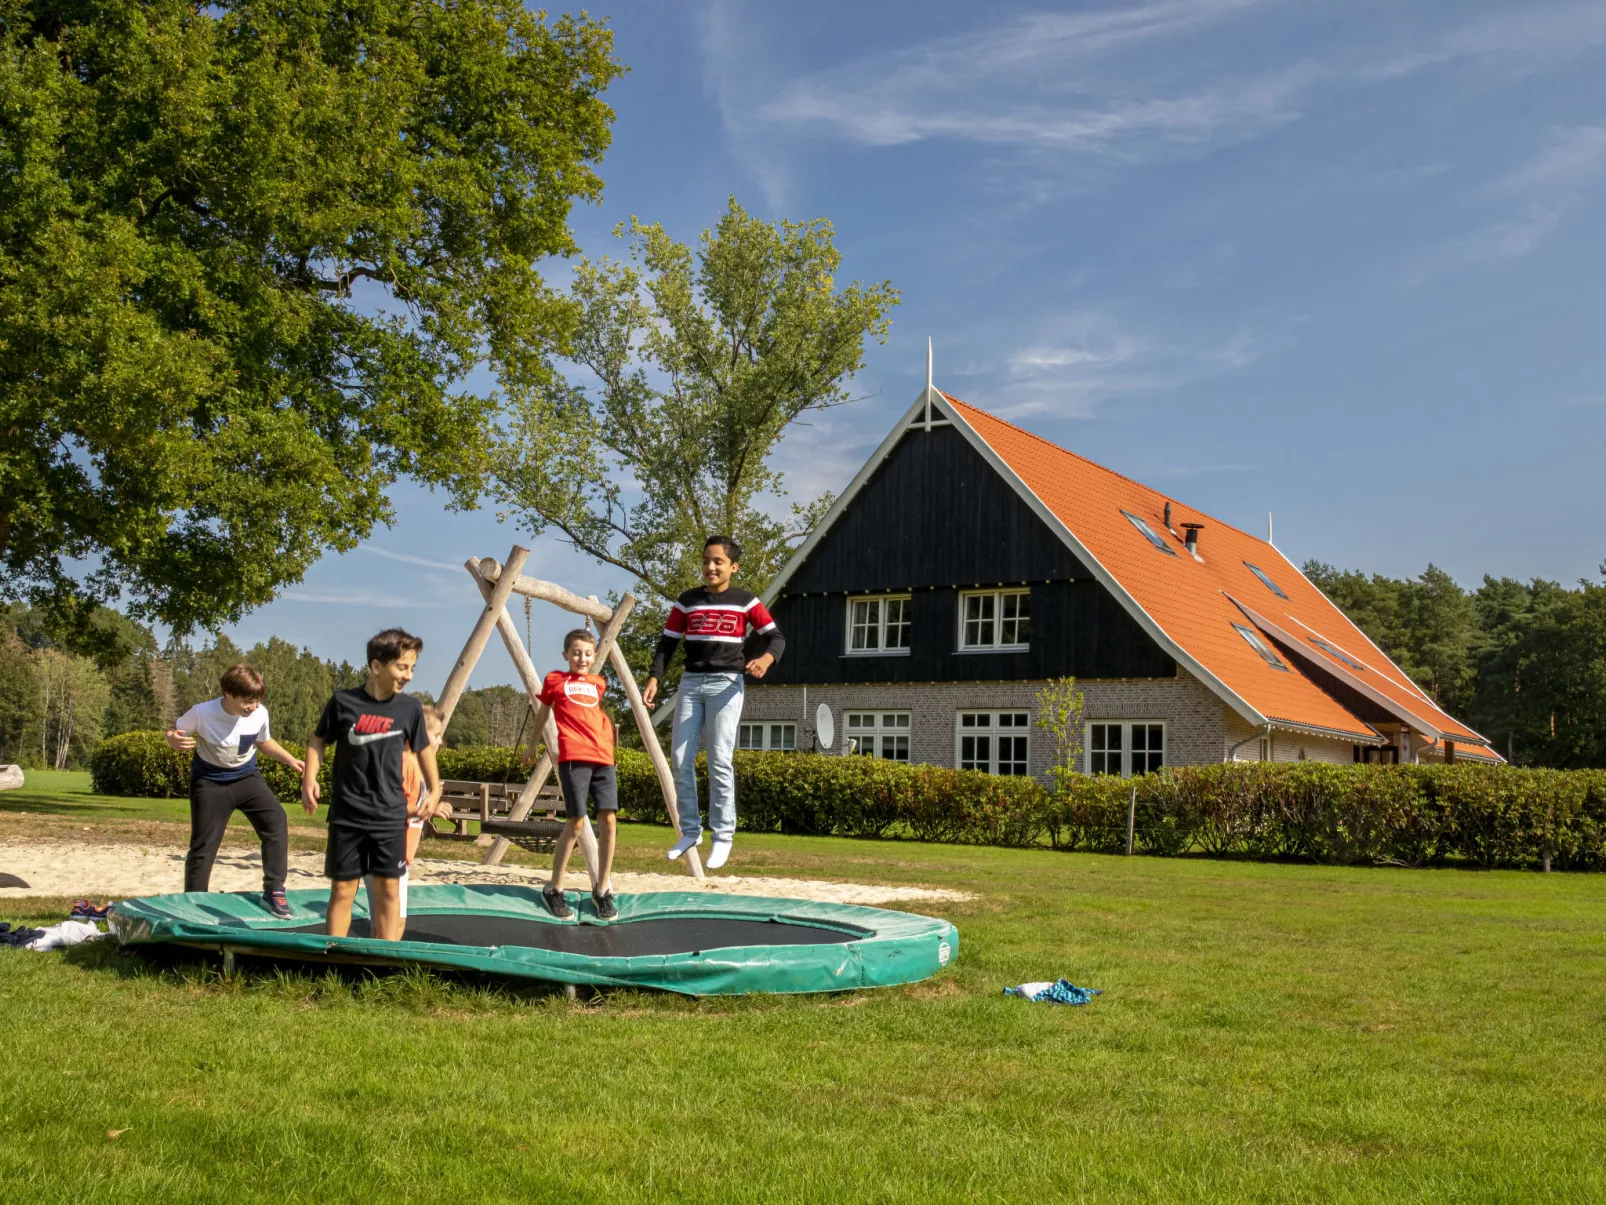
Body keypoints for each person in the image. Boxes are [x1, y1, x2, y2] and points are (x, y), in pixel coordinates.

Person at [643, 535, 785, 870]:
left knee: (720, 759)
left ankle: (723, 835)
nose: (710, 567)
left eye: (718, 561)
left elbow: (775, 638)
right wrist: (654, 678)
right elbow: (667, 644)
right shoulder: (687, 601)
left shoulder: (746, 602)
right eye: (706, 560)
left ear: (733, 567)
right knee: (680, 759)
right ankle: (690, 831)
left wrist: (765, 660)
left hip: (727, 685)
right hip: (691, 683)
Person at [302, 629, 441, 941]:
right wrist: (309, 778)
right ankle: (334, 957)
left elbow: (424, 749)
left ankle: (385, 960)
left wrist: (435, 789)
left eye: (412, 669)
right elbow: (318, 740)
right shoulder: (343, 702)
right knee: (342, 889)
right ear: (377, 666)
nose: (408, 675)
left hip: (390, 814)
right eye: (402, 667)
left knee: (389, 888)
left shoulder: (410, 708)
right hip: (347, 812)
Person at [166, 664, 306, 917]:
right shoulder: (201, 713)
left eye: (256, 701)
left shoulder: (259, 713)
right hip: (209, 783)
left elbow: (263, 741)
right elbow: (173, 732)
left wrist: (290, 759)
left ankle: (274, 891)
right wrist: (173, 739)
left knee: (276, 820)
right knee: (204, 844)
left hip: (247, 779)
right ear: (228, 694)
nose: (252, 707)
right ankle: (193, 902)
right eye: (247, 701)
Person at [539, 630, 619, 920]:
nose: (581, 658)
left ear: (594, 656)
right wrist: (532, 744)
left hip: (603, 757)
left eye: (587, 653)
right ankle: (554, 889)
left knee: (609, 822)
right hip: (574, 756)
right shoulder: (555, 681)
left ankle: (602, 889)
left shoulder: (598, 683)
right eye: (575, 652)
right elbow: (542, 713)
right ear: (565, 655)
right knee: (575, 824)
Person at [364, 703, 447, 930]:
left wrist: (428, 804)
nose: (440, 741)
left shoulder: (419, 767)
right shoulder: (404, 763)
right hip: (383, 853)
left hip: (399, 857)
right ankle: (375, 963)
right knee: (388, 923)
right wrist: (428, 808)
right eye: (437, 735)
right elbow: (388, 807)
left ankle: (380, 962)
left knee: (396, 923)